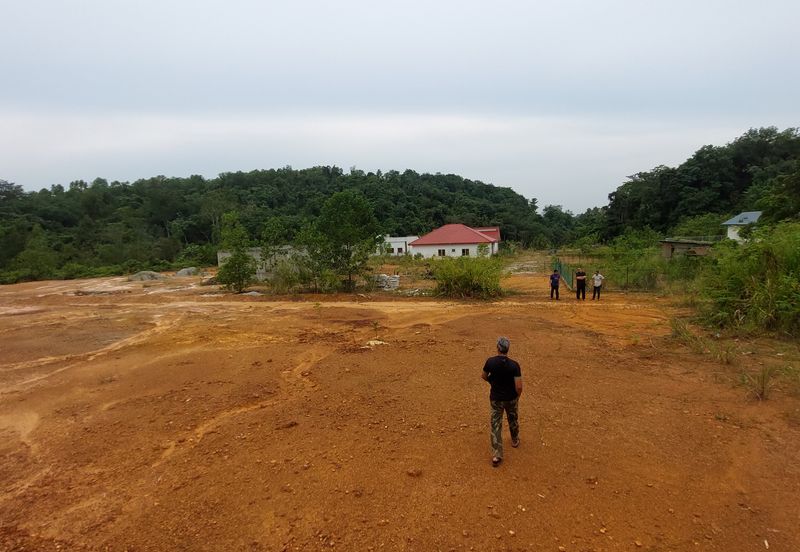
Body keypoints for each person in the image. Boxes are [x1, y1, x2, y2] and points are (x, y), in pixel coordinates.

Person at [481, 337, 523, 467]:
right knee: (513, 418)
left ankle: (496, 455)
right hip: (511, 398)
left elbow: (483, 376)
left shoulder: (490, 362)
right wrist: (517, 397)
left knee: (496, 425)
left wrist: (492, 381)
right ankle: (514, 440)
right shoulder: (514, 365)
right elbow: (519, 386)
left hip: (496, 399)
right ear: (507, 349)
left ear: (498, 348)